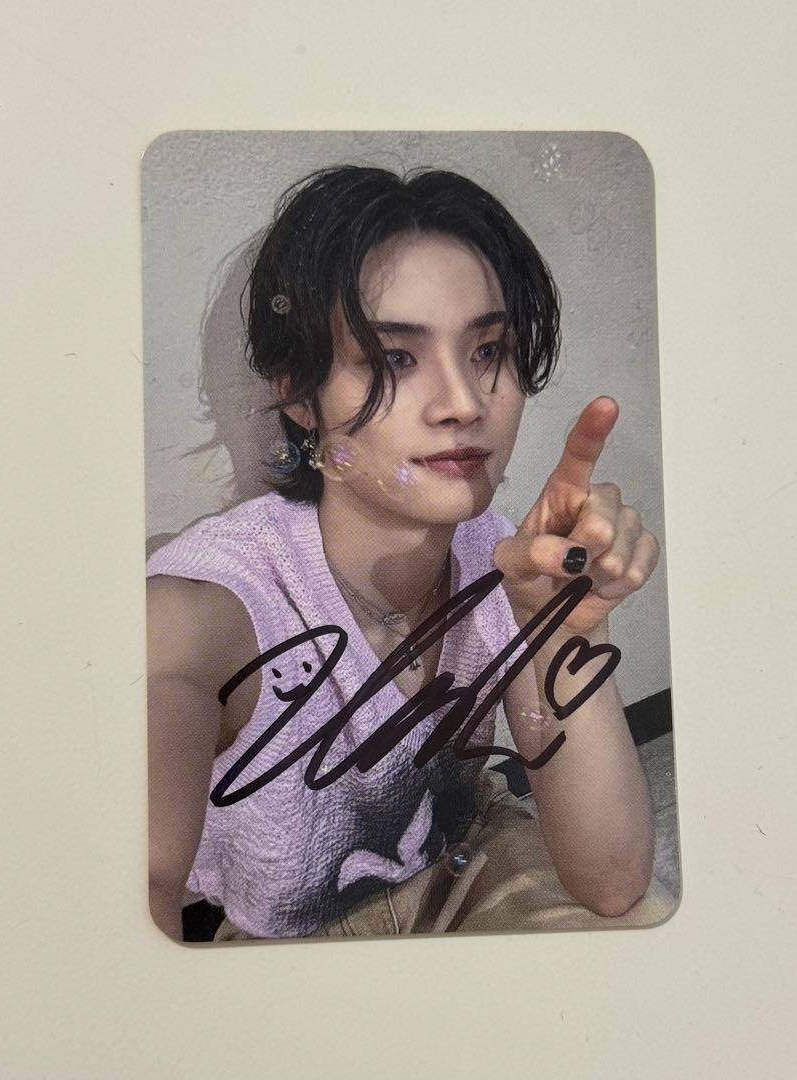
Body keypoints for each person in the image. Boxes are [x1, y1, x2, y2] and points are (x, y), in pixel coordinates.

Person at [146, 165, 665, 942]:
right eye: (393, 358)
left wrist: (561, 628)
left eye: (489, 349)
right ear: (298, 394)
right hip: (294, 938)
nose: (464, 403)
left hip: (467, 851)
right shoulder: (209, 608)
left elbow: (614, 884)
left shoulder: (506, 560)